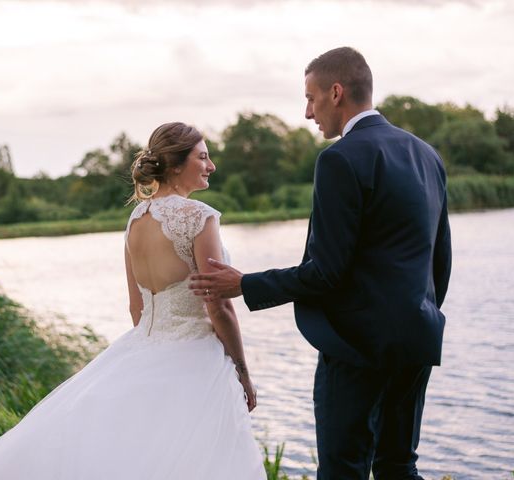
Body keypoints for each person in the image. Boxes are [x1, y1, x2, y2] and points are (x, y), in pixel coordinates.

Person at [190, 47, 452, 480]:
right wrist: (417, 312)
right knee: (398, 467)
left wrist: (246, 284)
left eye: (311, 98)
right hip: (416, 338)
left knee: (342, 470)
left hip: (355, 347)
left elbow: (327, 271)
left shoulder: (339, 159)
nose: (308, 112)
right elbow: (439, 261)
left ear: (336, 92)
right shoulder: (426, 154)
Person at [0, 122, 266, 479]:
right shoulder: (199, 217)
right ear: (177, 165)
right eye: (203, 157)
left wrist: (152, 351)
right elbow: (218, 304)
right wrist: (241, 370)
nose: (211, 166)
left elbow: (136, 307)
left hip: (143, 346)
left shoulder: (136, 219)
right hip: (195, 354)